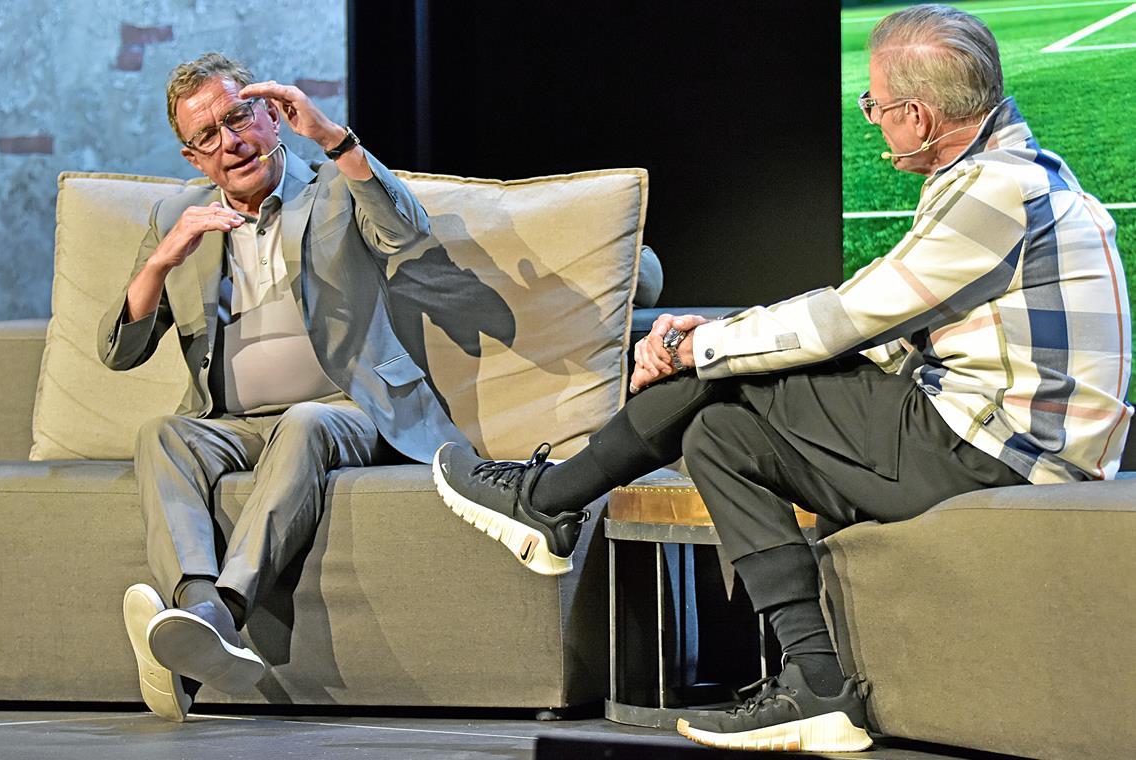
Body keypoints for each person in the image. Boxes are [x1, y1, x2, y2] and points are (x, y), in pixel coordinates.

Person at [433, 4, 1132, 752]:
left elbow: (852, 316)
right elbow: (889, 329)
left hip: (997, 449)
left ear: (921, 116)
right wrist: (718, 344)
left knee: (715, 381)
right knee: (722, 432)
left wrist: (704, 350)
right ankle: (817, 685)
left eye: (879, 106)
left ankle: (549, 500)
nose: (872, 121)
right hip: (994, 435)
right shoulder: (1010, 176)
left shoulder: (995, 189)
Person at [99, 53, 469, 722]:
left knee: (304, 421)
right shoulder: (178, 216)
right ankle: (202, 611)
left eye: (238, 117)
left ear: (271, 114)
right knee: (161, 433)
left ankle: (220, 614)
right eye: (207, 137)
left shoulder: (331, 186)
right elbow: (121, 352)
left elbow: (407, 234)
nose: (230, 142)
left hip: (347, 407)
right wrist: (161, 260)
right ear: (192, 158)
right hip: (234, 422)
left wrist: (333, 138)